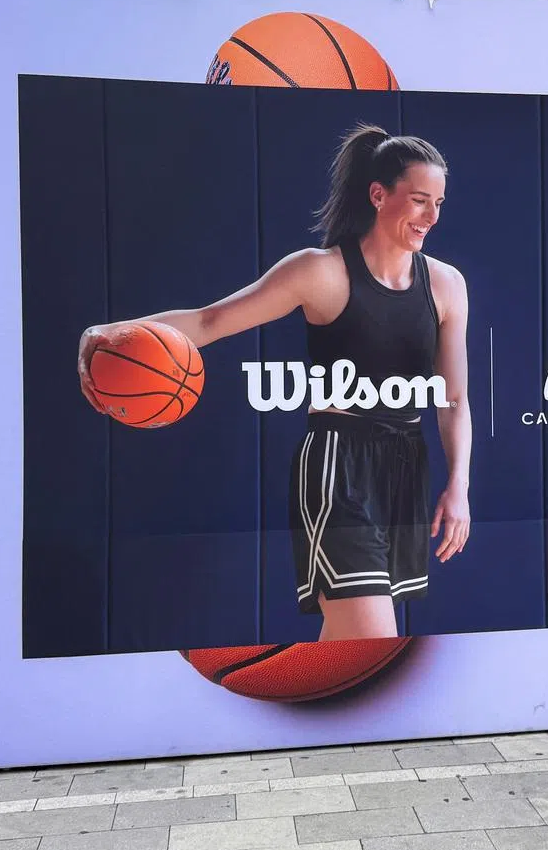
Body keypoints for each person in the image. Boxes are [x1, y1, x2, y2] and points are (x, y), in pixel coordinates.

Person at [76, 123, 471, 643]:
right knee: (372, 645)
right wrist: (110, 334)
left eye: (439, 203)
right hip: (338, 467)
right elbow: (211, 321)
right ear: (379, 194)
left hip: (404, 469)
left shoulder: (446, 284)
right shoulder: (320, 272)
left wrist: (458, 484)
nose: (431, 217)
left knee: (352, 651)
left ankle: (291, 708)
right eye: (420, 200)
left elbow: (455, 398)